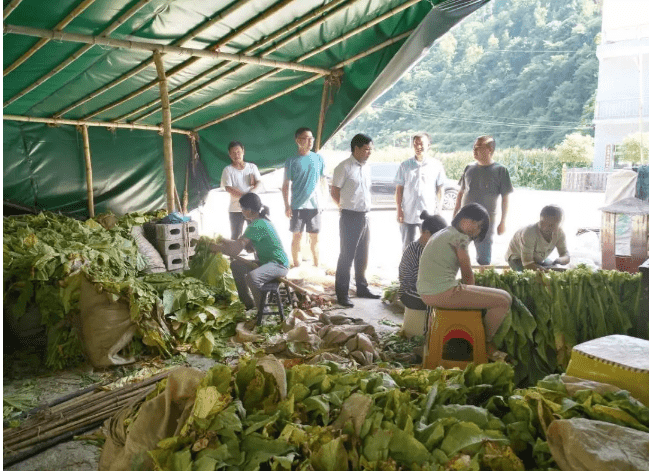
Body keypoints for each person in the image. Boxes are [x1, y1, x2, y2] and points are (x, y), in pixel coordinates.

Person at [417, 203, 511, 360]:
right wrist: (471, 297)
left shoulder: (444, 232)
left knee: (504, 297)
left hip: (428, 292)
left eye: (480, 227)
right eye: (474, 222)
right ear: (462, 218)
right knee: (503, 301)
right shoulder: (460, 238)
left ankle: (479, 342)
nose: (476, 228)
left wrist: (471, 293)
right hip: (441, 292)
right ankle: (484, 343)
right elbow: (467, 273)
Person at [210, 193, 289, 311]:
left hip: (278, 264)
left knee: (252, 278)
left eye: (242, 208)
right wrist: (222, 240)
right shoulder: (260, 222)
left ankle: (263, 312)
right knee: (236, 265)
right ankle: (248, 304)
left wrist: (217, 248)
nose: (241, 211)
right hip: (266, 262)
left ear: (250, 210)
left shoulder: (257, 225)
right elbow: (238, 244)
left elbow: (235, 250)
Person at [331, 133, 380, 307]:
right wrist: (344, 206)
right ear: (356, 149)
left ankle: (362, 287)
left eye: (371, 149)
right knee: (347, 255)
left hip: (365, 215)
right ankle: (342, 294)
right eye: (366, 149)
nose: (369, 153)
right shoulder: (343, 167)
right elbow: (334, 191)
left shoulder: (366, 167)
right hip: (349, 216)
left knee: (363, 254)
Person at [453, 136, 513, 265]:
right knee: (456, 254)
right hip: (464, 221)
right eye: (473, 147)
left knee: (484, 260)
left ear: (490, 150)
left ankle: (481, 281)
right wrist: (455, 214)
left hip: (485, 223)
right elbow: (461, 193)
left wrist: (503, 222)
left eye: (478, 147)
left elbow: (505, 198)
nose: (474, 150)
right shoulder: (469, 168)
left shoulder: (500, 170)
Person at [282, 127, 326, 267]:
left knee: (315, 238)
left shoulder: (318, 158)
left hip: (314, 206)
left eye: (311, 138)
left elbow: (324, 182)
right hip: (297, 206)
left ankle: (316, 265)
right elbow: (285, 185)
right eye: (306, 138)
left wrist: (324, 202)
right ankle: (296, 265)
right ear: (298, 140)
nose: (309, 141)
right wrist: (287, 205)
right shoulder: (291, 161)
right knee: (297, 236)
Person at [395, 132, 446, 251]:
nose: (418, 147)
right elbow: (399, 189)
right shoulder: (405, 165)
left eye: (421, 144)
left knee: (429, 248)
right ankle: (408, 269)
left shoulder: (436, 165)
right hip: (408, 214)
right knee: (408, 248)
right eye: (415, 144)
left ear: (429, 145)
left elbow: (440, 189)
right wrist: (399, 210)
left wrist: (439, 210)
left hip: (429, 214)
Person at [398, 211, 447, 310]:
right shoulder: (417, 249)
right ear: (425, 233)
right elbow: (425, 281)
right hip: (409, 294)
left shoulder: (429, 247)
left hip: (423, 289)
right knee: (442, 302)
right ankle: (429, 325)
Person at [505, 205, 570, 271]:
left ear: (559, 224)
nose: (545, 228)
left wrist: (560, 260)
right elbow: (528, 264)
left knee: (555, 269)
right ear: (540, 219)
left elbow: (565, 255)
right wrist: (545, 271)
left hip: (538, 258)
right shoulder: (529, 233)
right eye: (542, 223)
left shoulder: (560, 233)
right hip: (517, 258)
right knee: (530, 277)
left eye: (551, 225)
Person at [220, 141, 262, 240]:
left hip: (252, 209)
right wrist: (246, 197)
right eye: (233, 153)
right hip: (236, 209)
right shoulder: (228, 170)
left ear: (243, 151)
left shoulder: (252, 167)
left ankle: (258, 255)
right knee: (235, 236)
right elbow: (228, 188)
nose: (236, 155)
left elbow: (259, 183)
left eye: (238, 152)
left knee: (255, 235)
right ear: (229, 155)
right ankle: (233, 256)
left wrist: (250, 195)